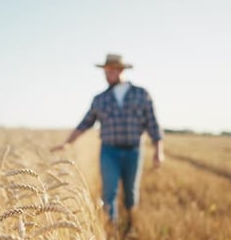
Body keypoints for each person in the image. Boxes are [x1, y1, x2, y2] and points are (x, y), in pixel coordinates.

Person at [51, 53, 164, 224]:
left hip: (133, 150)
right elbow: (85, 124)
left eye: (111, 71)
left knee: (131, 192)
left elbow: (153, 124)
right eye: (105, 72)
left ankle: (131, 224)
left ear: (120, 70)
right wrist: (66, 143)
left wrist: (159, 151)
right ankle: (113, 229)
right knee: (109, 192)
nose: (107, 75)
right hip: (109, 151)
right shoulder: (100, 99)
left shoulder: (141, 94)